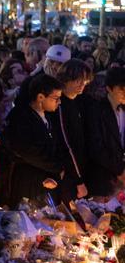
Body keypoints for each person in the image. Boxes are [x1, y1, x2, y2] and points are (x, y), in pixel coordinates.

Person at [0, 74, 64, 206]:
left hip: (46, 181)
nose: (59, 102)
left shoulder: (48, 116)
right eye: (55, 98)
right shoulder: (21, 117)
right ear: (40, 97)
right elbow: (28, 151)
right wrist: (56, 167)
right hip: (27, 182)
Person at [52, 60, 93, 202]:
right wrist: (78, 180)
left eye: (85, 81)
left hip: (79, 170)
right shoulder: (60, 104)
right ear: (66, 79)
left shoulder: (78, 102)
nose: (82, 85)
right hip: (68, 174)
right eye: (78, 81)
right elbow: (66, 143)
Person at [83, 66, 125, 198]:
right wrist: (119, 170)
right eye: (121, 89)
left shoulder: (123, 110)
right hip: (102, 179)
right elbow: (96, 147)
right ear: (109, 88)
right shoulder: (97, 110)